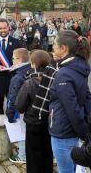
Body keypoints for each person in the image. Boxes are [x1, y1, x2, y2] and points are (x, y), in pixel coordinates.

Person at [48, 30, 90, 173]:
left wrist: (84, 133)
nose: (52, 47)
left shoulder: (64, 74)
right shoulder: (79, 65)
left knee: (66, 170)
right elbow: (87, 96)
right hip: (72, 130)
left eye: (54, 44)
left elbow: (72, 109)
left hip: (63, 132)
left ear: (64, 48)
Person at [15, 50, 52, 173]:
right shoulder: (54, 79)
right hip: (49, 122)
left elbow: (19, 106)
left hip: (33, 123)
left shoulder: (29, 82)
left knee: (32, 154)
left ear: (33, 65)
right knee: (47, 151)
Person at [6, 48, 31, 163]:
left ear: (19, 60)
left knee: (22, 133)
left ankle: (22, 156)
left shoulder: (18, 77)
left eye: (13, 58)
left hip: (20, 110)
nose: (12, 60)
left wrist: (10, 115)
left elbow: (13, 99)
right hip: (29, 108)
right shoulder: (30, 69)